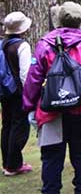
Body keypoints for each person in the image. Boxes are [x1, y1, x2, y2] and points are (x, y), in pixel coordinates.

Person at [23, 2, 81, 194]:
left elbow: (34, 78)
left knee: (52, 158)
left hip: (52, 110)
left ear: (60, 19)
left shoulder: (45, 44)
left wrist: (29, 106)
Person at [1, 12, 33, 176]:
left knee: (7, 125)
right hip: (18, 92)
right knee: (19, 126)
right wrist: (29, 93)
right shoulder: (22, 46)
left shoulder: (2, 44)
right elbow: (25, 74)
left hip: (4, 91)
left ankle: (7, 162)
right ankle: (14, 165)